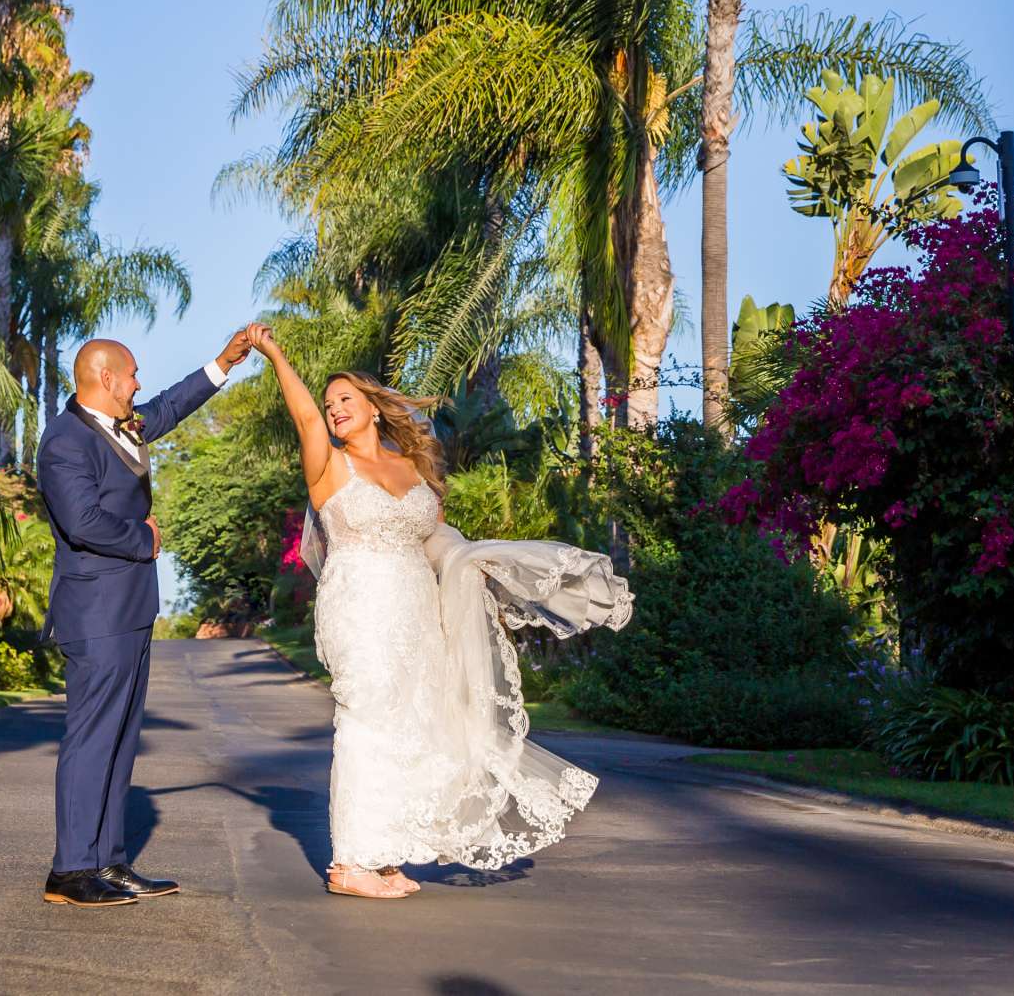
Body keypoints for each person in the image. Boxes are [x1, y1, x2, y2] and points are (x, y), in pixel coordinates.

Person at [247, 323, 633, 900]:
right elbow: (302, 417)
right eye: (329, 406)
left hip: (415, 607)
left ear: (374, 409)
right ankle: (350, 863)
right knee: (366, 717)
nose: (333, 411)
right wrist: (274, 353)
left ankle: (385, 852)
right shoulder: (329, 467)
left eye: (345, 400)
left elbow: (436, 539)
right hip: (359, 603)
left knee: (414, 720)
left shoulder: (412, 468)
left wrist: (485, 563)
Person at [38, 329, 253, 908]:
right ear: (105, 380)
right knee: (91, 738)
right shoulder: (64, 441)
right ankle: (71, 870)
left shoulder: (123, 425)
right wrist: (145, 539)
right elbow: (82, 521)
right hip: (95, 613)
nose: (139, 384)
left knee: (121, 737)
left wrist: (223, 362)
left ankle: (107, 861)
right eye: (131, 375)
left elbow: (170, 408)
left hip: (131, 610)